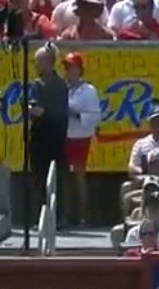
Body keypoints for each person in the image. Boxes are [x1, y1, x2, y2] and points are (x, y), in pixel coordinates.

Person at [27, 45, 68, 220]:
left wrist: (40, 111)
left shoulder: (60, 85)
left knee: (54, 179)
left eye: (39, 61)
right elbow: (32, 107)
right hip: (38, 138)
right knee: (38, 179)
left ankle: (57, 218)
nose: (37, 64)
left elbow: (48, 111)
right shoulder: (36, 84)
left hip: (55, 137)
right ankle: (41, 216)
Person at [63, 52, 100, 227]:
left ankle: (83, 216)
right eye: (67, 68)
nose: (69, 71)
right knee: (64, 178)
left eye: (72, 68)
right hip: (63, 136)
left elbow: (95, 117)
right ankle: (66, 214)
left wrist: (75, 114)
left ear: (80, 70)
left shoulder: (89, 90)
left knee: (79, 177)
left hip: (80, 137)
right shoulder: (62, 88)